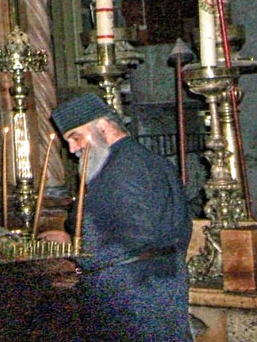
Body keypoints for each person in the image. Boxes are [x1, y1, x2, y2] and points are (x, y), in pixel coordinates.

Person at [48, 93, 192, 342]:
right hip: (161, 285)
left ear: (102, 126)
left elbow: (129, 237)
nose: (72, 149)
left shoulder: (120, 168)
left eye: (76, 137)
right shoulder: (148, 160)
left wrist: (72, 250)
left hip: (131, 296)